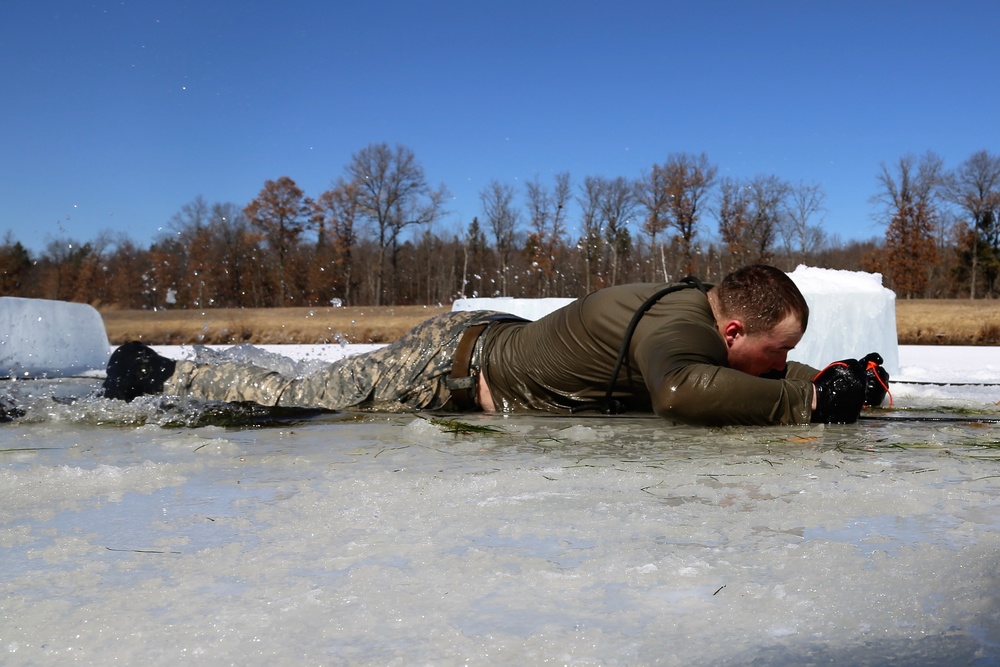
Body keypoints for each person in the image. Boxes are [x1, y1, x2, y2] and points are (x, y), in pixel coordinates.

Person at [101, 264, 889, 426]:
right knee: (307, 397)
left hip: (487, 340)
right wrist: (806, 401)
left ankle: (175, 369)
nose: (776, 366)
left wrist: (839, 377)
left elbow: (747, 372)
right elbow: (681, 391)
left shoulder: (693, 315)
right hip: (454, 362)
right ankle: (159, 370)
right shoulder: (678, 332)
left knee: (321, 383)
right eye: (772, 353)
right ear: (731, 331)